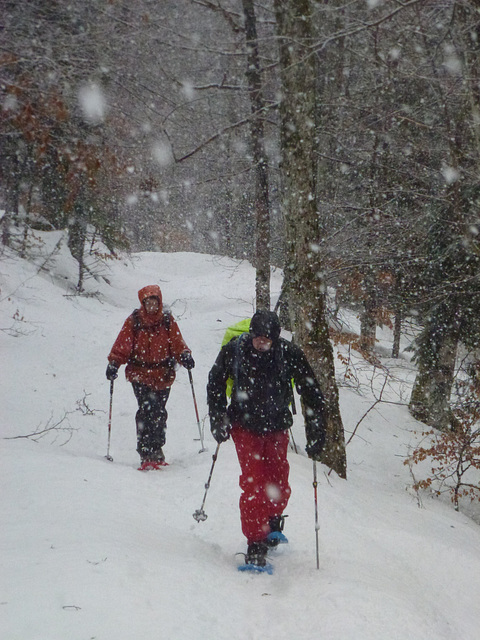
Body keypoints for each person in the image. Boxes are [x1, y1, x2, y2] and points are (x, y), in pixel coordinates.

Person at [207, 309, 326, 569]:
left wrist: (317, 431)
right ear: (251, 334)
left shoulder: (288, 353)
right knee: (254, 484)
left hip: (276, 427)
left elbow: (311, 390)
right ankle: (255, 543)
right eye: (258, 338)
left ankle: (272, 521)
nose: (261, 343)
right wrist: (218, 417)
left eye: (267, 340)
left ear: (275, 338)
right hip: (244, 425)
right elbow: (215, 382)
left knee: (278, 480)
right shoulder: (235, 350)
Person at [106, 285, 194, 470]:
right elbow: (123, 344)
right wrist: (114, 362)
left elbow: (178, 343)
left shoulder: (167, 321)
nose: (152, 306)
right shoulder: (134, 321)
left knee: (159, 412)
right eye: (148, 303)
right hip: (140, 374)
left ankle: (157, 449)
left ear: (160, 303)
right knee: (146, 410)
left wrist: (184, 355)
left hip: (163, 374)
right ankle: (146, 452)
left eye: (155, 302)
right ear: (143, 303)